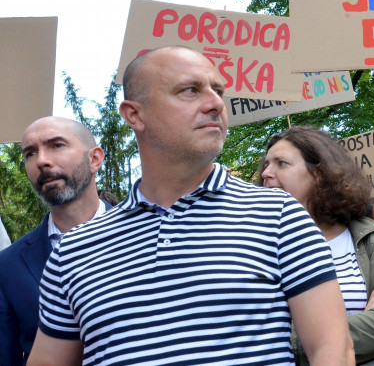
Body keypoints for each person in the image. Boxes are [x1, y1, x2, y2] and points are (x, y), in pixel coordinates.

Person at [28, 47, 354, 365]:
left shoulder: (279, 216)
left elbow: (333, 350)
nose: (215, 103)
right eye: (190, 90)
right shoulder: (73, 250)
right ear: (135, 114)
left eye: (218, 90)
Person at [260, 126, 374, 365]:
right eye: (266, 164)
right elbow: (253, 335)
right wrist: (352, 329)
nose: (266, 172)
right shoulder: (257, 244)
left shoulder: (369, 238)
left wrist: (310, 342)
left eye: (281, 163)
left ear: (318, 174)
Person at [0, 117, 109, 365]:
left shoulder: (142, 236)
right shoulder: (7, 266)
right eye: (30, 153)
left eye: (56, 145)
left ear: (94, 159)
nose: (41, 160)